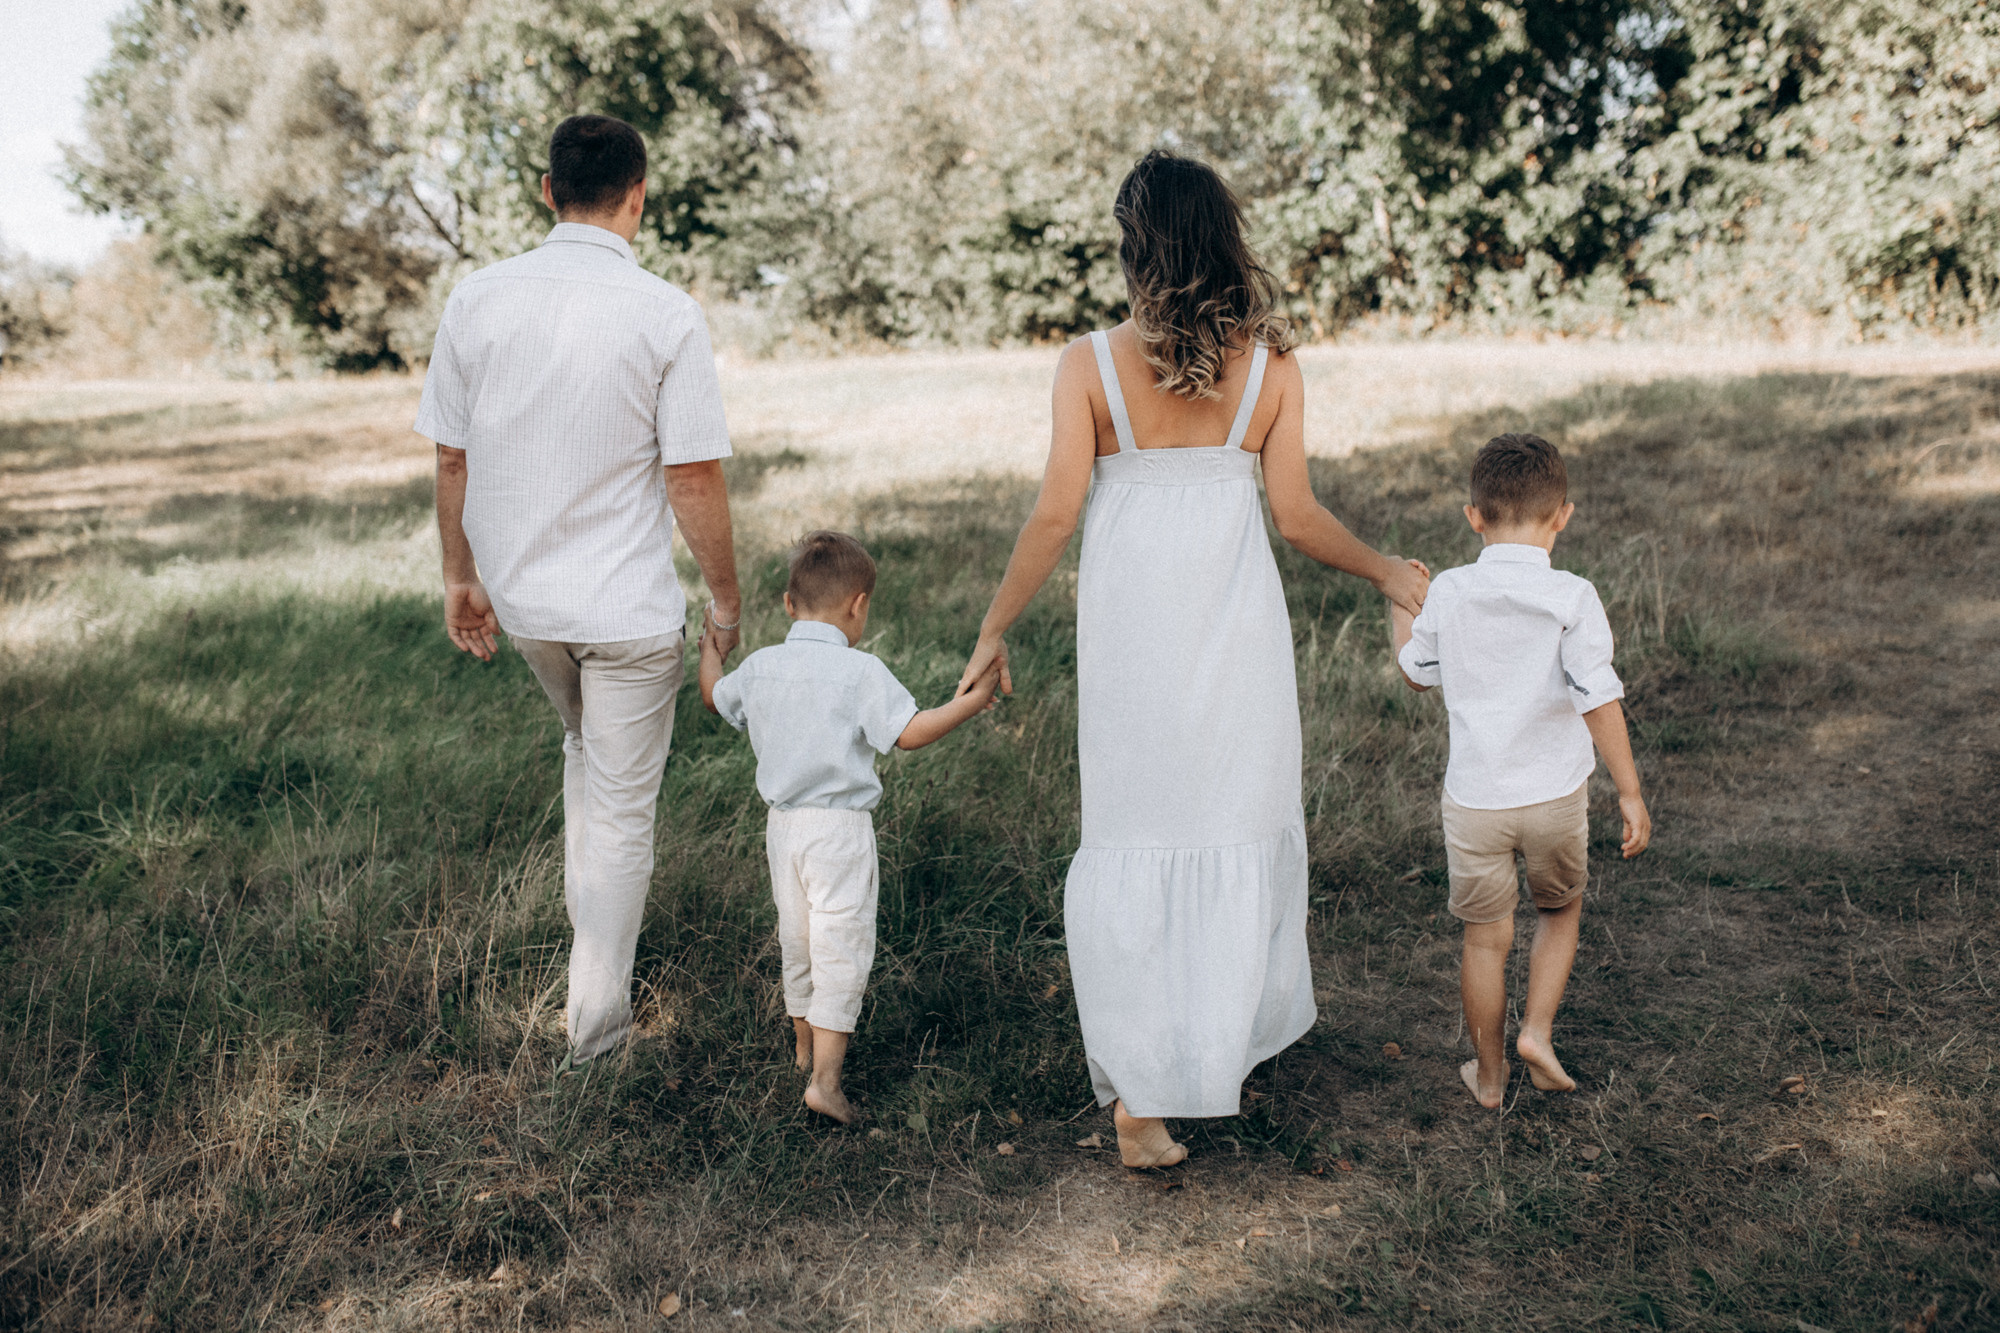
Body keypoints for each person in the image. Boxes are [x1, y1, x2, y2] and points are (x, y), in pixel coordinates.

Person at [955, 151, 1431, 1168]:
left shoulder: (1088, 364)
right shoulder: (1272, 364)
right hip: (1230, 624)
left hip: (1133, 625)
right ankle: (1207, 1048)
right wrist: (1388, 570)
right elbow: (1295, 518)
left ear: (1135, 245)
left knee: (1138, 824)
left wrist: (994, 624)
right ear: (1223, 238)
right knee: (1230, 814)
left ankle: (1144, 1093)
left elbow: (1053, 510)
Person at [415, 113, 745, 1070]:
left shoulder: (476, 300)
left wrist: (461, 577)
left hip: (529, 609)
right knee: (620, 812)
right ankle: (597, 1036)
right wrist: (725, 604)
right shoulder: (665, 311)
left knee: (586, 759)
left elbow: (450, 454)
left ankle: (589, 967)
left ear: (548, 192)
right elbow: (692, 477)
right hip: (628, 619)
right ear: (638, 197)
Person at [1388, 432, 1652, 1109]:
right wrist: (1628, 790)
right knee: (1559, 908)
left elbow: (1416, 673)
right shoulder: (1572, 596)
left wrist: (1399, 607)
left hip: (1476, 799)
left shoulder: (1449, 590)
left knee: (1485, 939)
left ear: (1473, 515)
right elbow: (1599, 696)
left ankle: (1491, 1072)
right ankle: (1536, 1029)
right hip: (1555, 797)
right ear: (1563, 514)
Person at [701, 531, 1002, 1123]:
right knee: (841, 945)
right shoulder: (860, 670)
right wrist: (970, 703)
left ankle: (802, 1052)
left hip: (781, 829)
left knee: (799, 937)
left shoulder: (761, 667)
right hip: (837, 832)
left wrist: (712, 647)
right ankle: (827, 1083)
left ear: (789, 604)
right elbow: (909, 734)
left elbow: (714, 697)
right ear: (858, 605)